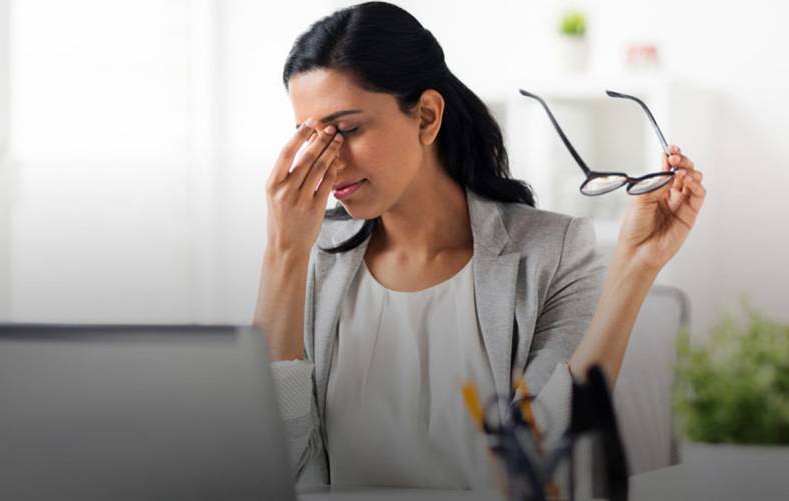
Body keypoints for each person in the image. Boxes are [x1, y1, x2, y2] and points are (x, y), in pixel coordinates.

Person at [253, 1, 706, 490]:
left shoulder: (554, 252)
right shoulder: (313, 259)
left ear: (427, 116)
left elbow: (543, 452)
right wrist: (284, 251)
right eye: (311, 137)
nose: (329, 161)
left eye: (347, 130)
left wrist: (635, 268)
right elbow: (272, 462)